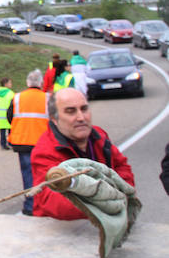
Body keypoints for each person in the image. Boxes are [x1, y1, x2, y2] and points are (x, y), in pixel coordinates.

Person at [31, 88, 135, 220]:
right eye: (70, 111)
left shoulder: (99, 136)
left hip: (105, 220)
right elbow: (54, 202)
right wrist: (107, 198)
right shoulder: (45, 151)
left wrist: (121, 193)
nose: (81, 117)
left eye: (84, 109)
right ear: (54, 119)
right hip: (63, 228)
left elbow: (121, 166)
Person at [6, 70, 49, 215]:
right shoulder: (47, 98)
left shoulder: (17, 97)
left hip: (22, 141)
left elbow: (9, 116)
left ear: (27, 82)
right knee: (43, 174)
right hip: (43, 142)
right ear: (41, 83)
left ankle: (30, 206)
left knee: (27, 174)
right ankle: (44, 205)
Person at [0, 77, 14, 150]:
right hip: (8, 115)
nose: (11, 84)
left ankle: (3, 144)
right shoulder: (11, 93)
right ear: (6, 84)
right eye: (10, 83)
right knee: (11, 130)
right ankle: (10, 143)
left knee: (2, 131)